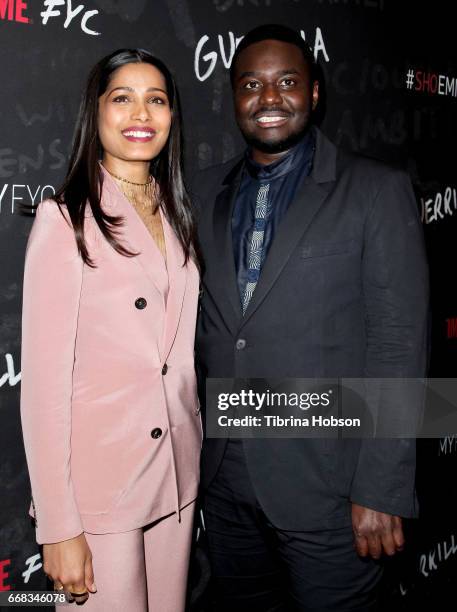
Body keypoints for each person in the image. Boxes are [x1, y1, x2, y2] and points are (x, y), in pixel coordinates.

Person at [192, 24, 429, 611]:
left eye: (286, 82)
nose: (269, 99)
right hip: (222, 481)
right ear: (234, 98)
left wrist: (382, 486)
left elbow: (400, 345)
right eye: (251, 84)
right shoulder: (197, 192)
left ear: (314, 93)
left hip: (332, 486)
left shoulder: (376, 190)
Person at [20, 48, 202, 611]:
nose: (140, 113)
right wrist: (57, 524)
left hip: (175, 479)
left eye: (157, 100)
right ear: (95, 113)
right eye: (121, 98)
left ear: (172, 117)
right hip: (102, 488)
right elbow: (44, 389)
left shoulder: (178, 214)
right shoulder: (65, 220)